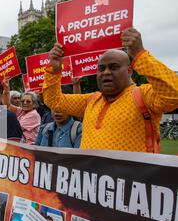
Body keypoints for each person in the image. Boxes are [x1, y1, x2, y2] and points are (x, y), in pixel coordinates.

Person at [43, 28, 178, 152]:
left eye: (114, 67)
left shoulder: (144, 95)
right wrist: (54, 70)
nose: (106, 73)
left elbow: (174, 95)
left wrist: (140, 54)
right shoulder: (91, 100)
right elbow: (53, 100)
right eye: (101, 69)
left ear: (129, 70)